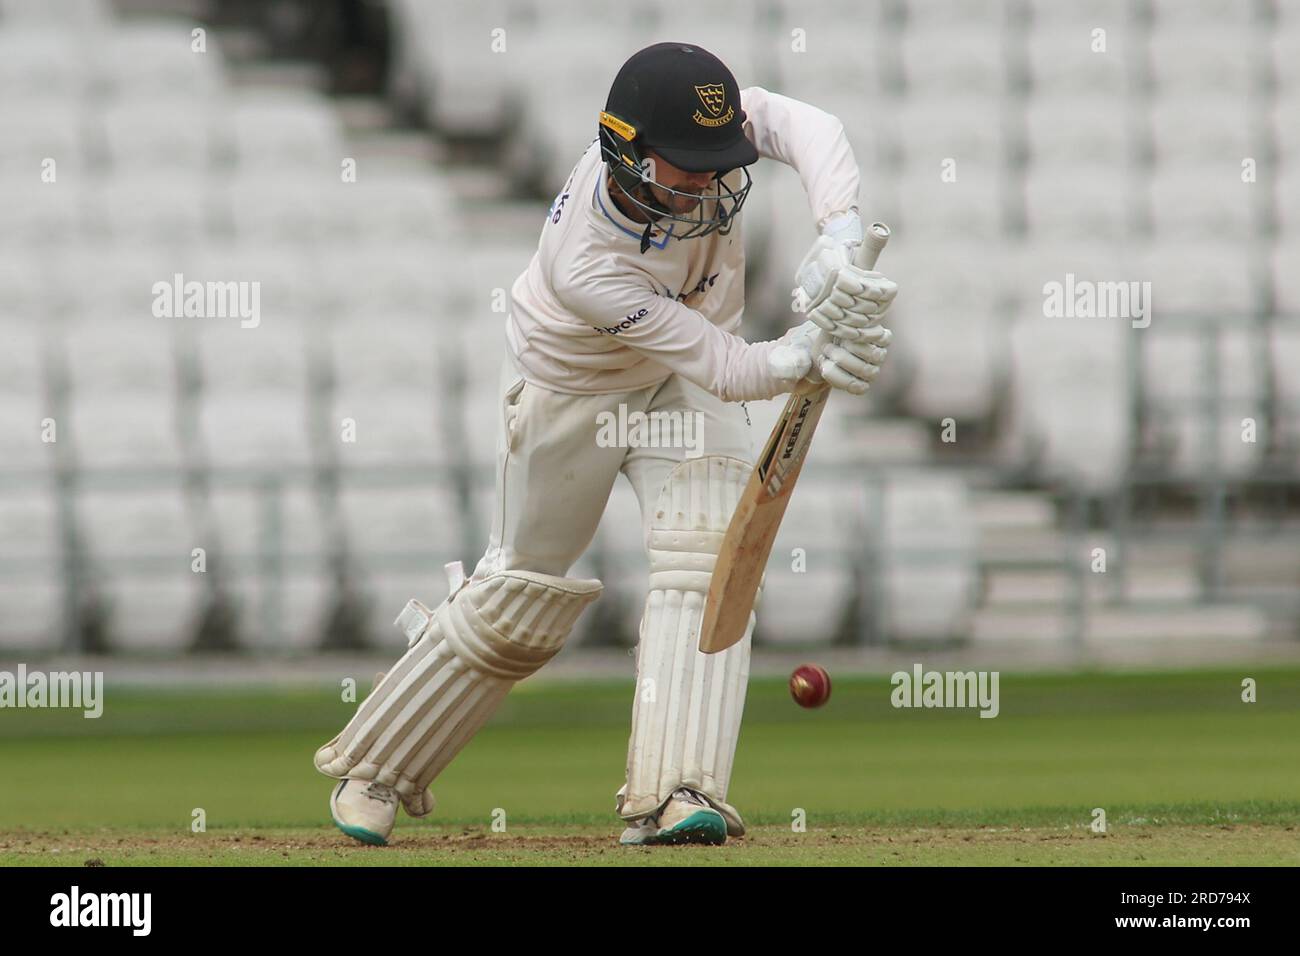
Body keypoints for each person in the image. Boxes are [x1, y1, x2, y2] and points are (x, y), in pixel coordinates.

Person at [314, 41, 898, 847]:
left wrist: (838, 231)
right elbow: (725, 365)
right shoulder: (585, 260)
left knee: (705, 562)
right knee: (520, 598)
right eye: (686, 168)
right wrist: (801, 355)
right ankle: (377, 766)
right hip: (575, 393)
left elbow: (813, 126)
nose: (708, 184)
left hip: (685, 385)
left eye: (718, 161)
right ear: (626, 154)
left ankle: (677, 792)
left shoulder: (709, 150)